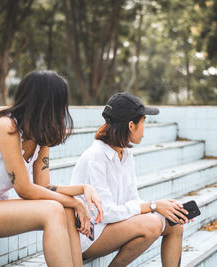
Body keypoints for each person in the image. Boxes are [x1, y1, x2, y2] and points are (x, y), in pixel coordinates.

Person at [0, 70, 103, 267]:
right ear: (48, 104)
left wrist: (82, 190)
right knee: (53, 210)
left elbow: (44, 187)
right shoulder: (6, 128)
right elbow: (24, 190)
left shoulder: (40, 137)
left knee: (65, 209)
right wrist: (76, 203)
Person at [71, 92, 192, 267]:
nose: (145, 128)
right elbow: (105, 213)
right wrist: (153, 206)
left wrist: (167, 208)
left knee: (175, 224)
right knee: (152, 224)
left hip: (113, 226)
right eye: (144, 122)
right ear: (131, 125)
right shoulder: (96, 156)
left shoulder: (125, 155)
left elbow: (132, 200)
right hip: (89, 236)